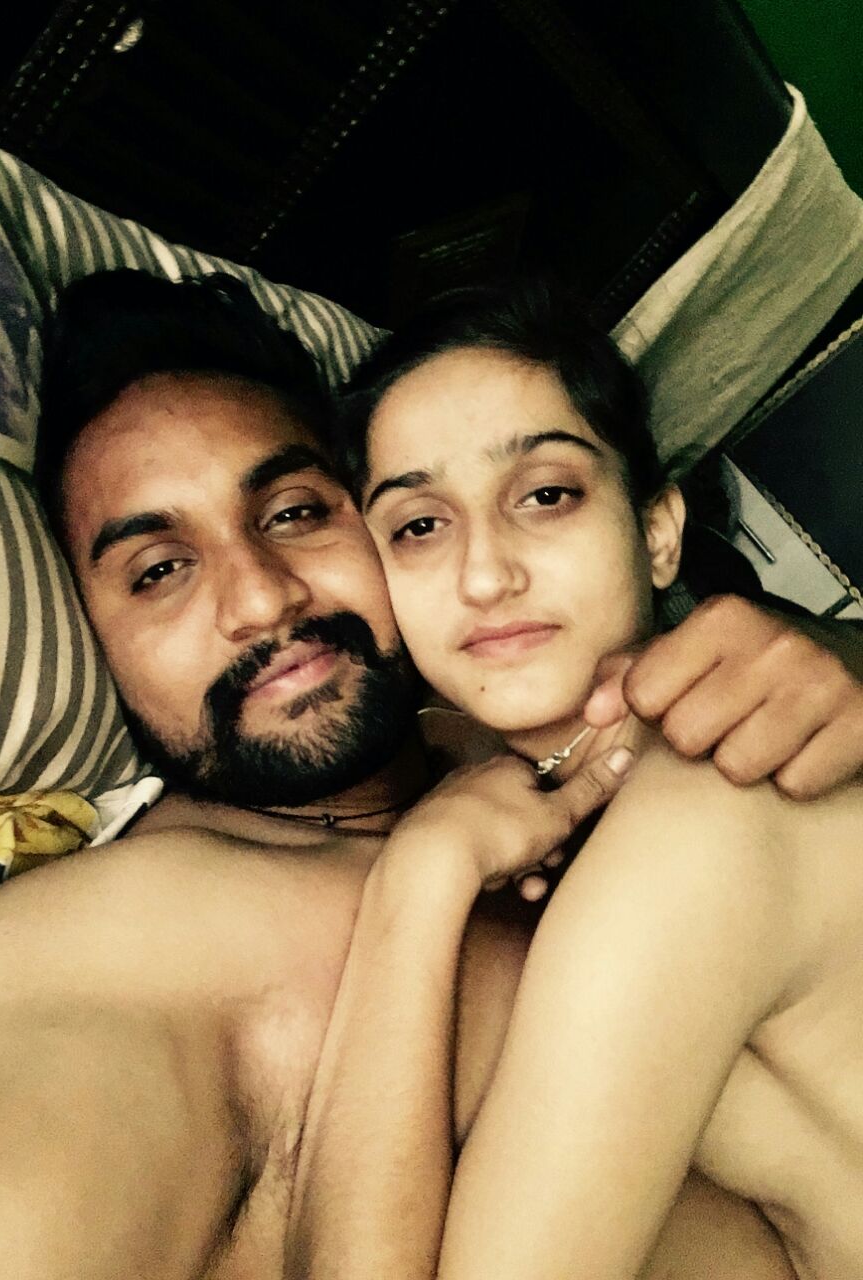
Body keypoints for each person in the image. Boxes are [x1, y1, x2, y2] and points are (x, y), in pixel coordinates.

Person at [0, 270, 859, 1280]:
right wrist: (425, 874)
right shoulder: (122, 937)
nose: (261, 598)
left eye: (293, 512)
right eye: (159, 570)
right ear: (92, 639)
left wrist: (836, 657)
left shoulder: (529, 728)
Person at [288, 279, 863, 1279]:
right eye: (419, 525)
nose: (484, 575)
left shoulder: (701, 819)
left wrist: (419, 878)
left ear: (657, 531)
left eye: (546, 494)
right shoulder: (546, 789)